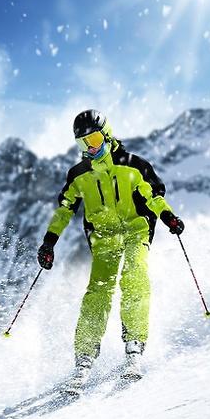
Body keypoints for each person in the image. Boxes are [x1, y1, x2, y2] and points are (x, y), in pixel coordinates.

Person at [37, 109, 185, 392]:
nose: (90, 147)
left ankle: (134, 346)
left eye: (93, 139)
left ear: (106, 134)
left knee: (134, 275)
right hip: (103, 238)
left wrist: (169, 218)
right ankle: (84, 358)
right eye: (83, 143)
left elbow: (153, 197)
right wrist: (49, 242)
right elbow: (65, 210)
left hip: (136, 229)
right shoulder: (79, 175)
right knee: (98, 292)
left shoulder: (134, 166)